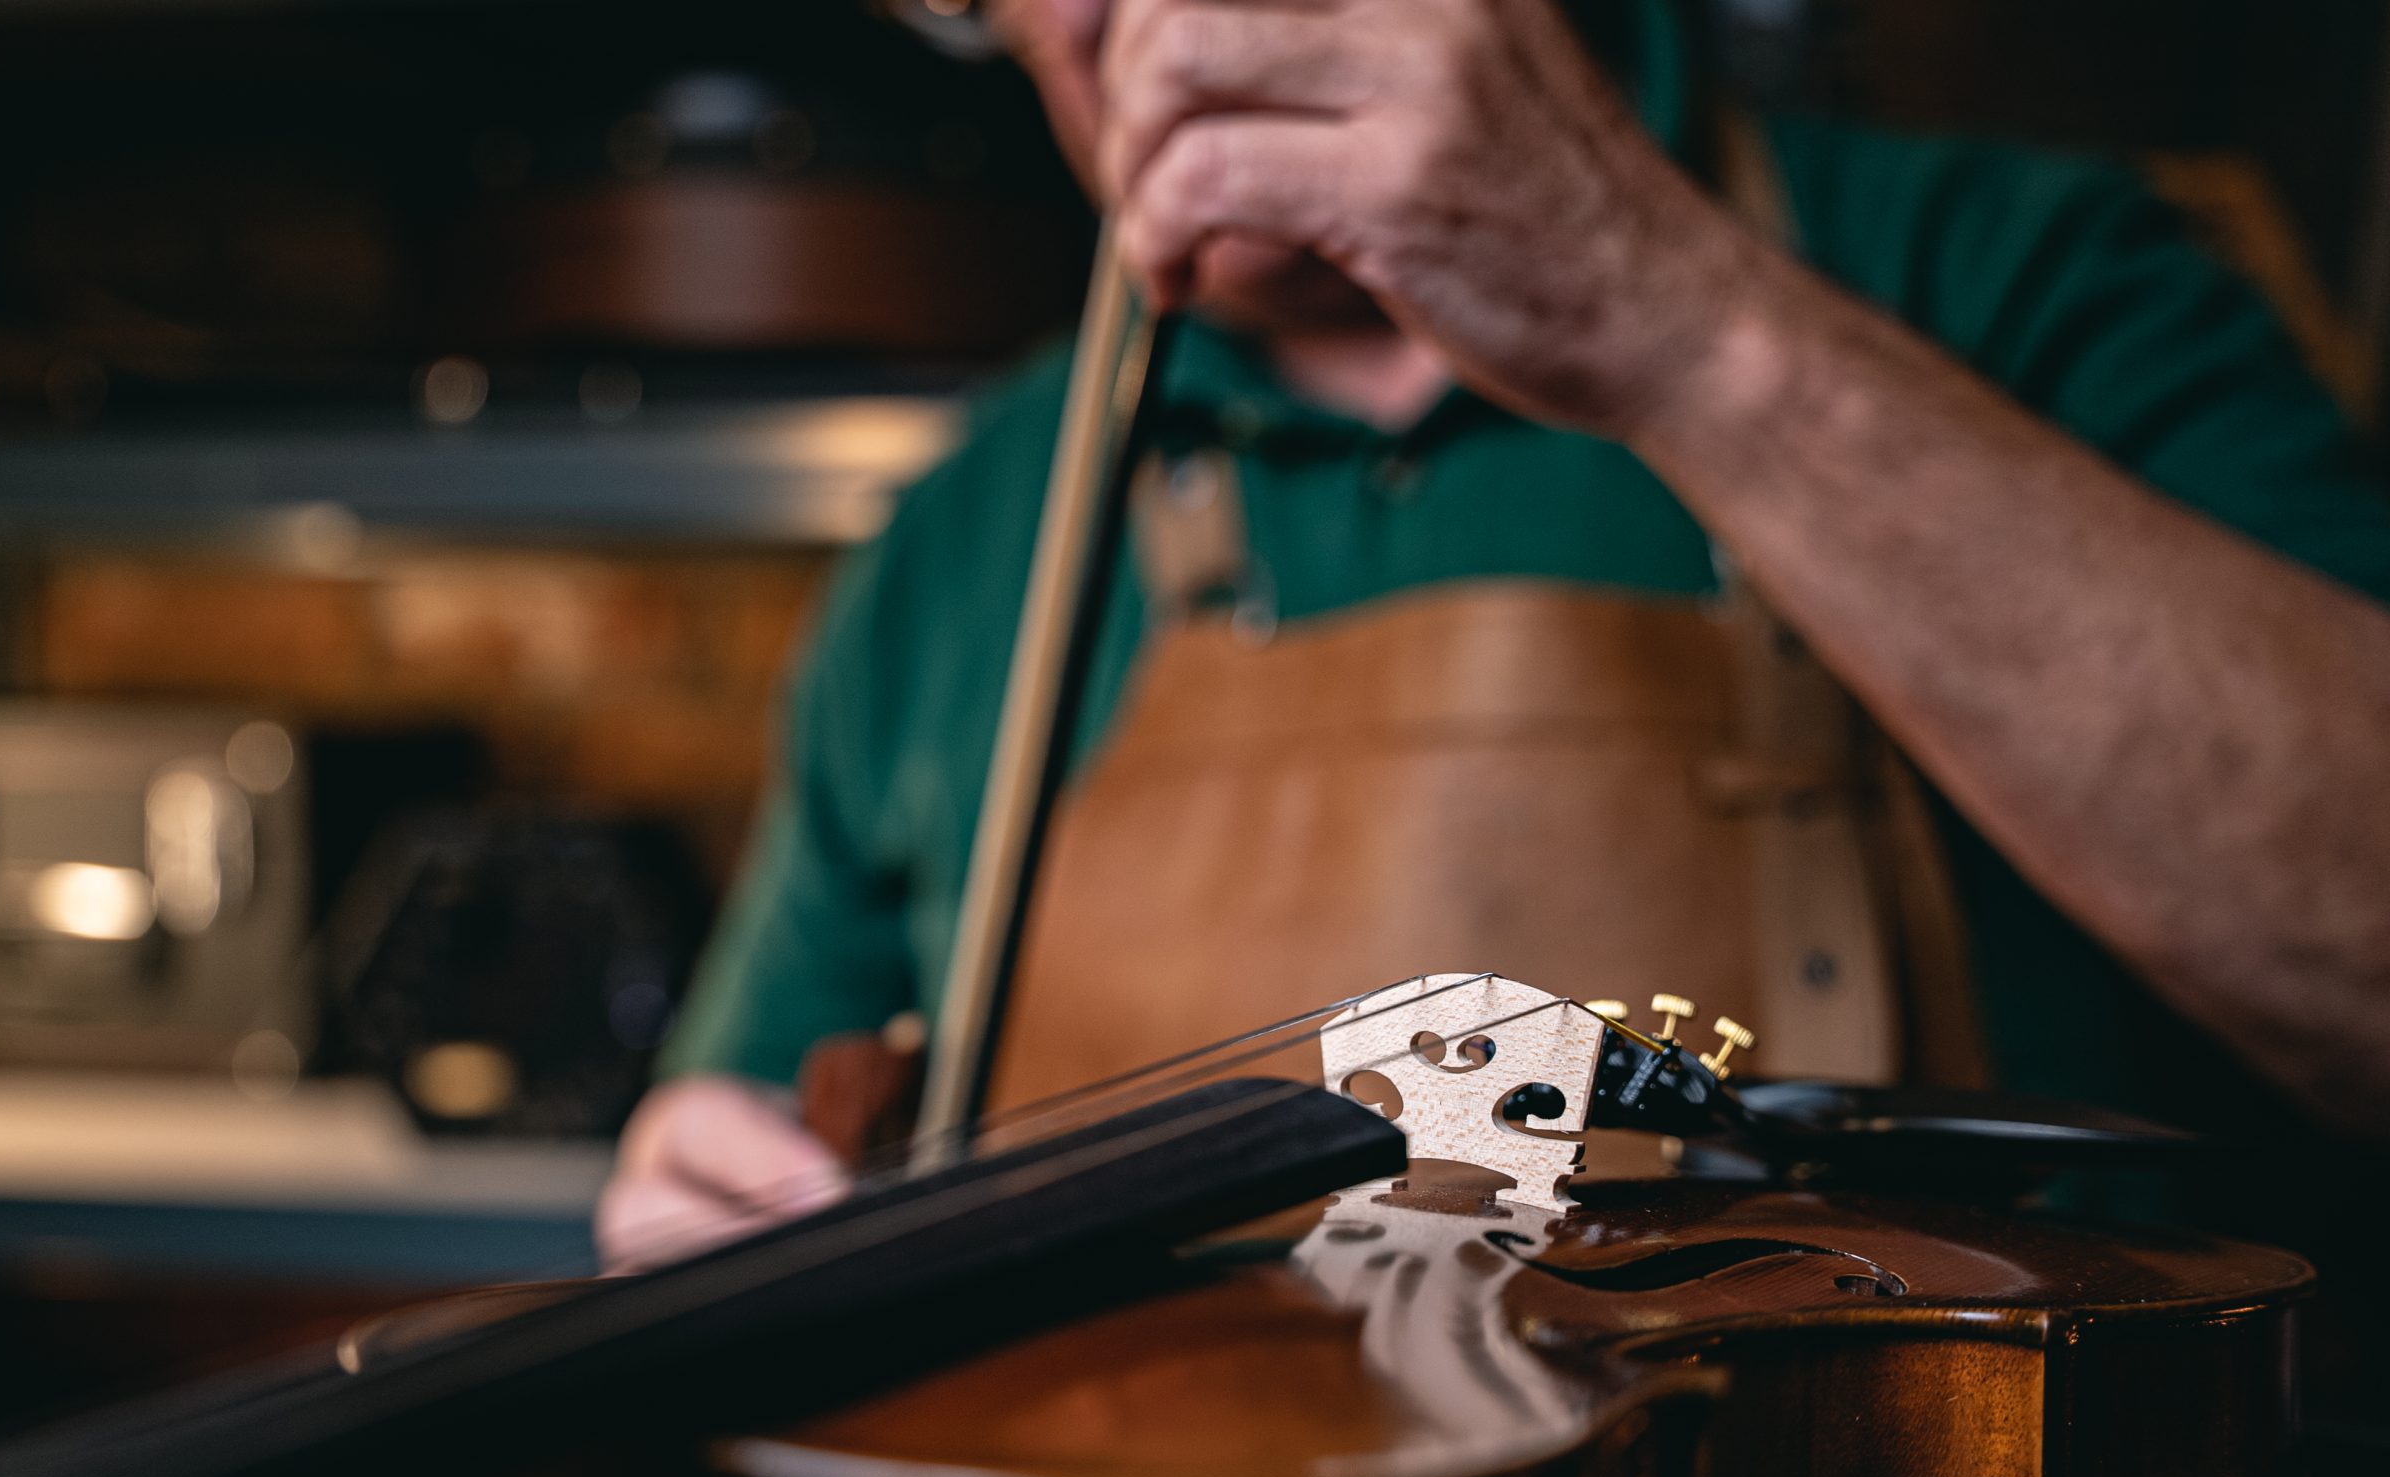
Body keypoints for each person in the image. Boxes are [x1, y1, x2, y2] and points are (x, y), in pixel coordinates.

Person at [598, 0, 2390, 1270]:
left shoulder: (2029, 278)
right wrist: (721, 1218)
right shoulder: (966, 532)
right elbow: (770, 1146)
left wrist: (1668, 311)